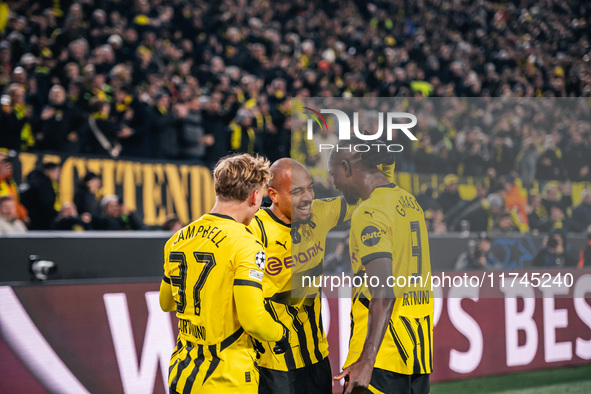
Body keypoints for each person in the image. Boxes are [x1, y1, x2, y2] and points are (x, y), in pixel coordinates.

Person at [249, 157, 395, 394]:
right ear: (273, 195)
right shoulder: (255, 229)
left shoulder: (319, 213)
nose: (308, 197)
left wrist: (384, 167)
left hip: (316, 357)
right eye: (297, 191)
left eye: (310, 188)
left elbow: (369, 197)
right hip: (274, 363)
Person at [159, 153, 288, 393]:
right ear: (255, 196)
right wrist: (280, 334)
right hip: (226, 377)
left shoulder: (177, 239)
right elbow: (254, 320)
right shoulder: (245, 243)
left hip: (183, 373)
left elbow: (166, 303)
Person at [329, 141, 433, 394]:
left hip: (382, 356)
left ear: (346, 167)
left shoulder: (369, 212)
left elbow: (384, 291)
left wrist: (367, 359)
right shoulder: (408, 201)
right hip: (416, 351)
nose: (334, 183)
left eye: (333, 174)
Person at [20, 161, 61, 230]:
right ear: (51, 171)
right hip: (41, 221)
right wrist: (55, 215)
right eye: (57, 172)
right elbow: (46, 204)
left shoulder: (31, 181)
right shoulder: (44, 184)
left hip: (28, 219)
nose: (58, 175)